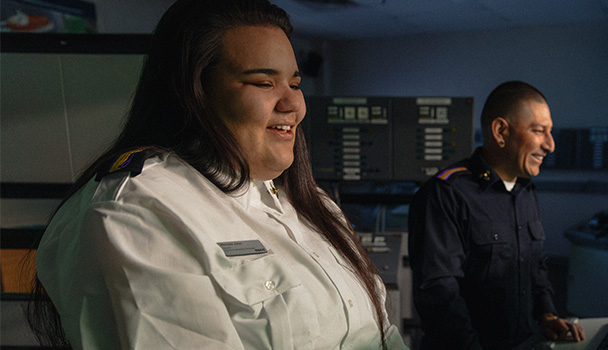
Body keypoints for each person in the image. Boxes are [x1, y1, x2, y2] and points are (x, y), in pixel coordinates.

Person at [28, 0, 407, 349]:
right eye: (263, 83)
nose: (293, 104)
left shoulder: (312, 204)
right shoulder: (138, 213)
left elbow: (381, 334)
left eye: (294, 83)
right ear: (194, 93)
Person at [408, 81, 585, 349]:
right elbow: (440, 294)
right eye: (538, 131)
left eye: (550, 132)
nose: (550, 145)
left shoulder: (526, 192)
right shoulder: (446, 193)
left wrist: (546, 315)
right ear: (500, 131)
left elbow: (536, 267)